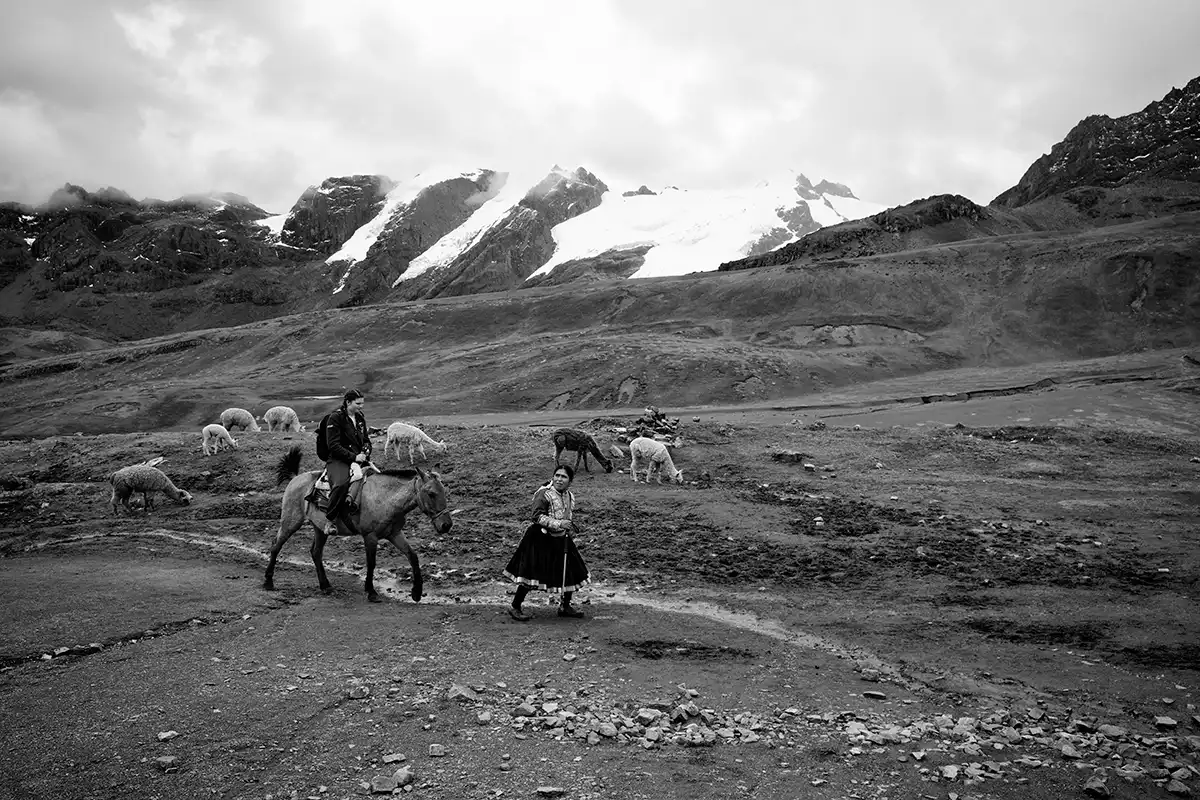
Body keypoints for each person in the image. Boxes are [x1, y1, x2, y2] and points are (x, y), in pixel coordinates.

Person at [503, 464, 589, 621]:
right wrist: (558, 524)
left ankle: (565, 605)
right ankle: (515, 606)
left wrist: (568, 527)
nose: (559, 479)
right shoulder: (544, 494)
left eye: (563, 477)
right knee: (531, 571)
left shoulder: (570, 496)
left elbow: (567, 515)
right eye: (557, 475)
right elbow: (536, 516)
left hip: (561, 537)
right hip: (539, 538)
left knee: (570, 569)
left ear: (570, 481)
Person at [323, 388, 372, 536]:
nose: (361, 407)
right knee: (340, 484)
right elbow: (333, 445)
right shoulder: (335, 418)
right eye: (358, 403)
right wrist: (353, 457)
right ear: (348, 402)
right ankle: (330, 520)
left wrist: (365, 452)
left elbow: (366, 441)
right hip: (339, 460)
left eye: (362, 404)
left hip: (359, 459)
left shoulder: (360, 418)